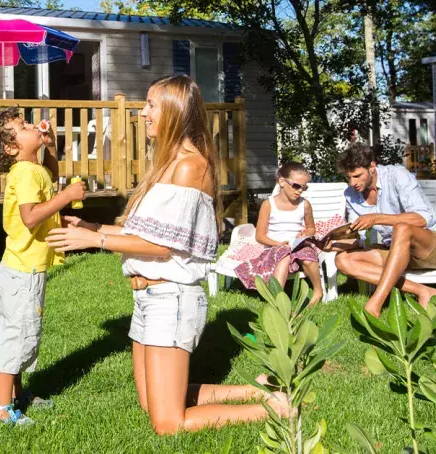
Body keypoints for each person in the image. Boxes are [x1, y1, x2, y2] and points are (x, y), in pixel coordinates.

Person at [45, 75, 289, 435]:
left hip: (171, 297)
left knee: (168, 424)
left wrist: (93, 241)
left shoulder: (192, 167)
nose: (143, 113)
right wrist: (92, 226)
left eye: (151, 105)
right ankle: (259, 391)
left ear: (174, 111)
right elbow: (145, 234)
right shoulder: (167, 166)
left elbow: (165, 247)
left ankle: (278, 411)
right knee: (151, 404)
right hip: (147, 295)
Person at [0, 109, 87, 426]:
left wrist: (49, 146)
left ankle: (17, 396)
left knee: (25, 332)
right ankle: (1, 410)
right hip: (22, 271)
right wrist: (66, 196)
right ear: (12, 148)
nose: (30, 125)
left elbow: (49, 174)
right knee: (15, 336)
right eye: (22, 127)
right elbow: (30, 216)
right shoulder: (23, 172)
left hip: (27, 269)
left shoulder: (32, 167)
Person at [329, 142, 436, 317]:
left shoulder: (397, 175)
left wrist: (377, 218)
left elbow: (423, 218)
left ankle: (375, 304)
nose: (353, 183)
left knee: (402, 228)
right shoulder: (351, 194)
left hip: (433, 246)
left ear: (372, 166)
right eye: (348, 178)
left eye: (357, 176)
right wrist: (333, 244)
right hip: (398, 252)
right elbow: (356, 236)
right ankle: (423, 291)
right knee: (343, 260)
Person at [233, 161, 324, 304]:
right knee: (284, 256)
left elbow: (312, 228)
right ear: (282, 181)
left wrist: (306, 233)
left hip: (298, 245)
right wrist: (279, 244)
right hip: (275, 247)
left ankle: (318, 292)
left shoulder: (304, 205)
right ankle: (277, 299)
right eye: (296, 186)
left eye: (304, 187)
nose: (299, 190)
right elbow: (260, 236)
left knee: (308, 256)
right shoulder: (268, 204)